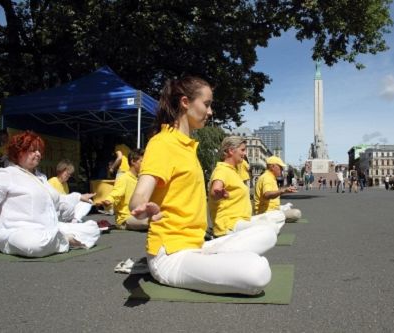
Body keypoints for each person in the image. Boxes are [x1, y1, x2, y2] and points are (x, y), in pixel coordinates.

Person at [129, 77, 276, 295]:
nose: (210, 112)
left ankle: (213, 261)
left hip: (197, 245)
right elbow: (139, 196)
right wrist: (144, 209)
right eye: (206, 104)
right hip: (170, 255)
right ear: (186, 102)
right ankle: (217, 264)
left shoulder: (188, 147)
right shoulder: (162, 143)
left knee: (268, 234)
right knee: (258, 271)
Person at [0, 131, 100, 257]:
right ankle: (64, 240)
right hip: (18, 232)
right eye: (33, 150)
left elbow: (57, 200)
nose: (38, 154)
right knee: (33, 245)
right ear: (19, 152)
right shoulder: (6, 174)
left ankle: (58, 237)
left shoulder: (41, 177)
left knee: (93, 230)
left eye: (39, 150)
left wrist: (79, 197)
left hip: (48, 228)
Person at [209, 136, 285, 237]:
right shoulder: (222, 170)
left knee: (277, 218)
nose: (245, 154)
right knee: (272, 227)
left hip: (241, 221)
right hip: (230, 224)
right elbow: (215, 189)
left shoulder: (234, 171)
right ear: (231, 151)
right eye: (243, 150)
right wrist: (218, 193)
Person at [97, 149, 148, 231]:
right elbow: (116, 193)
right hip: (125, 219)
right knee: (153, 221)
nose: (145, 164)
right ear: (133, 162)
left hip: (139, 216)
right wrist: (108, 200)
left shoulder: (140, 179)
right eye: (142, 161)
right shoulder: (124, 178)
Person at [254, 156, 302, 222]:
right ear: (273, 167)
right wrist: (283, 190)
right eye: (280, 167)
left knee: (290, 211)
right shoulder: (267, 178)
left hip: (271, 210)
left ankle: (279, 216)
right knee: (296, 213)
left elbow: (273, 191)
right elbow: (267, 194)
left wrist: (286, 189)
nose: (282, 169)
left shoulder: (269, 176)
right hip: (266, 213)